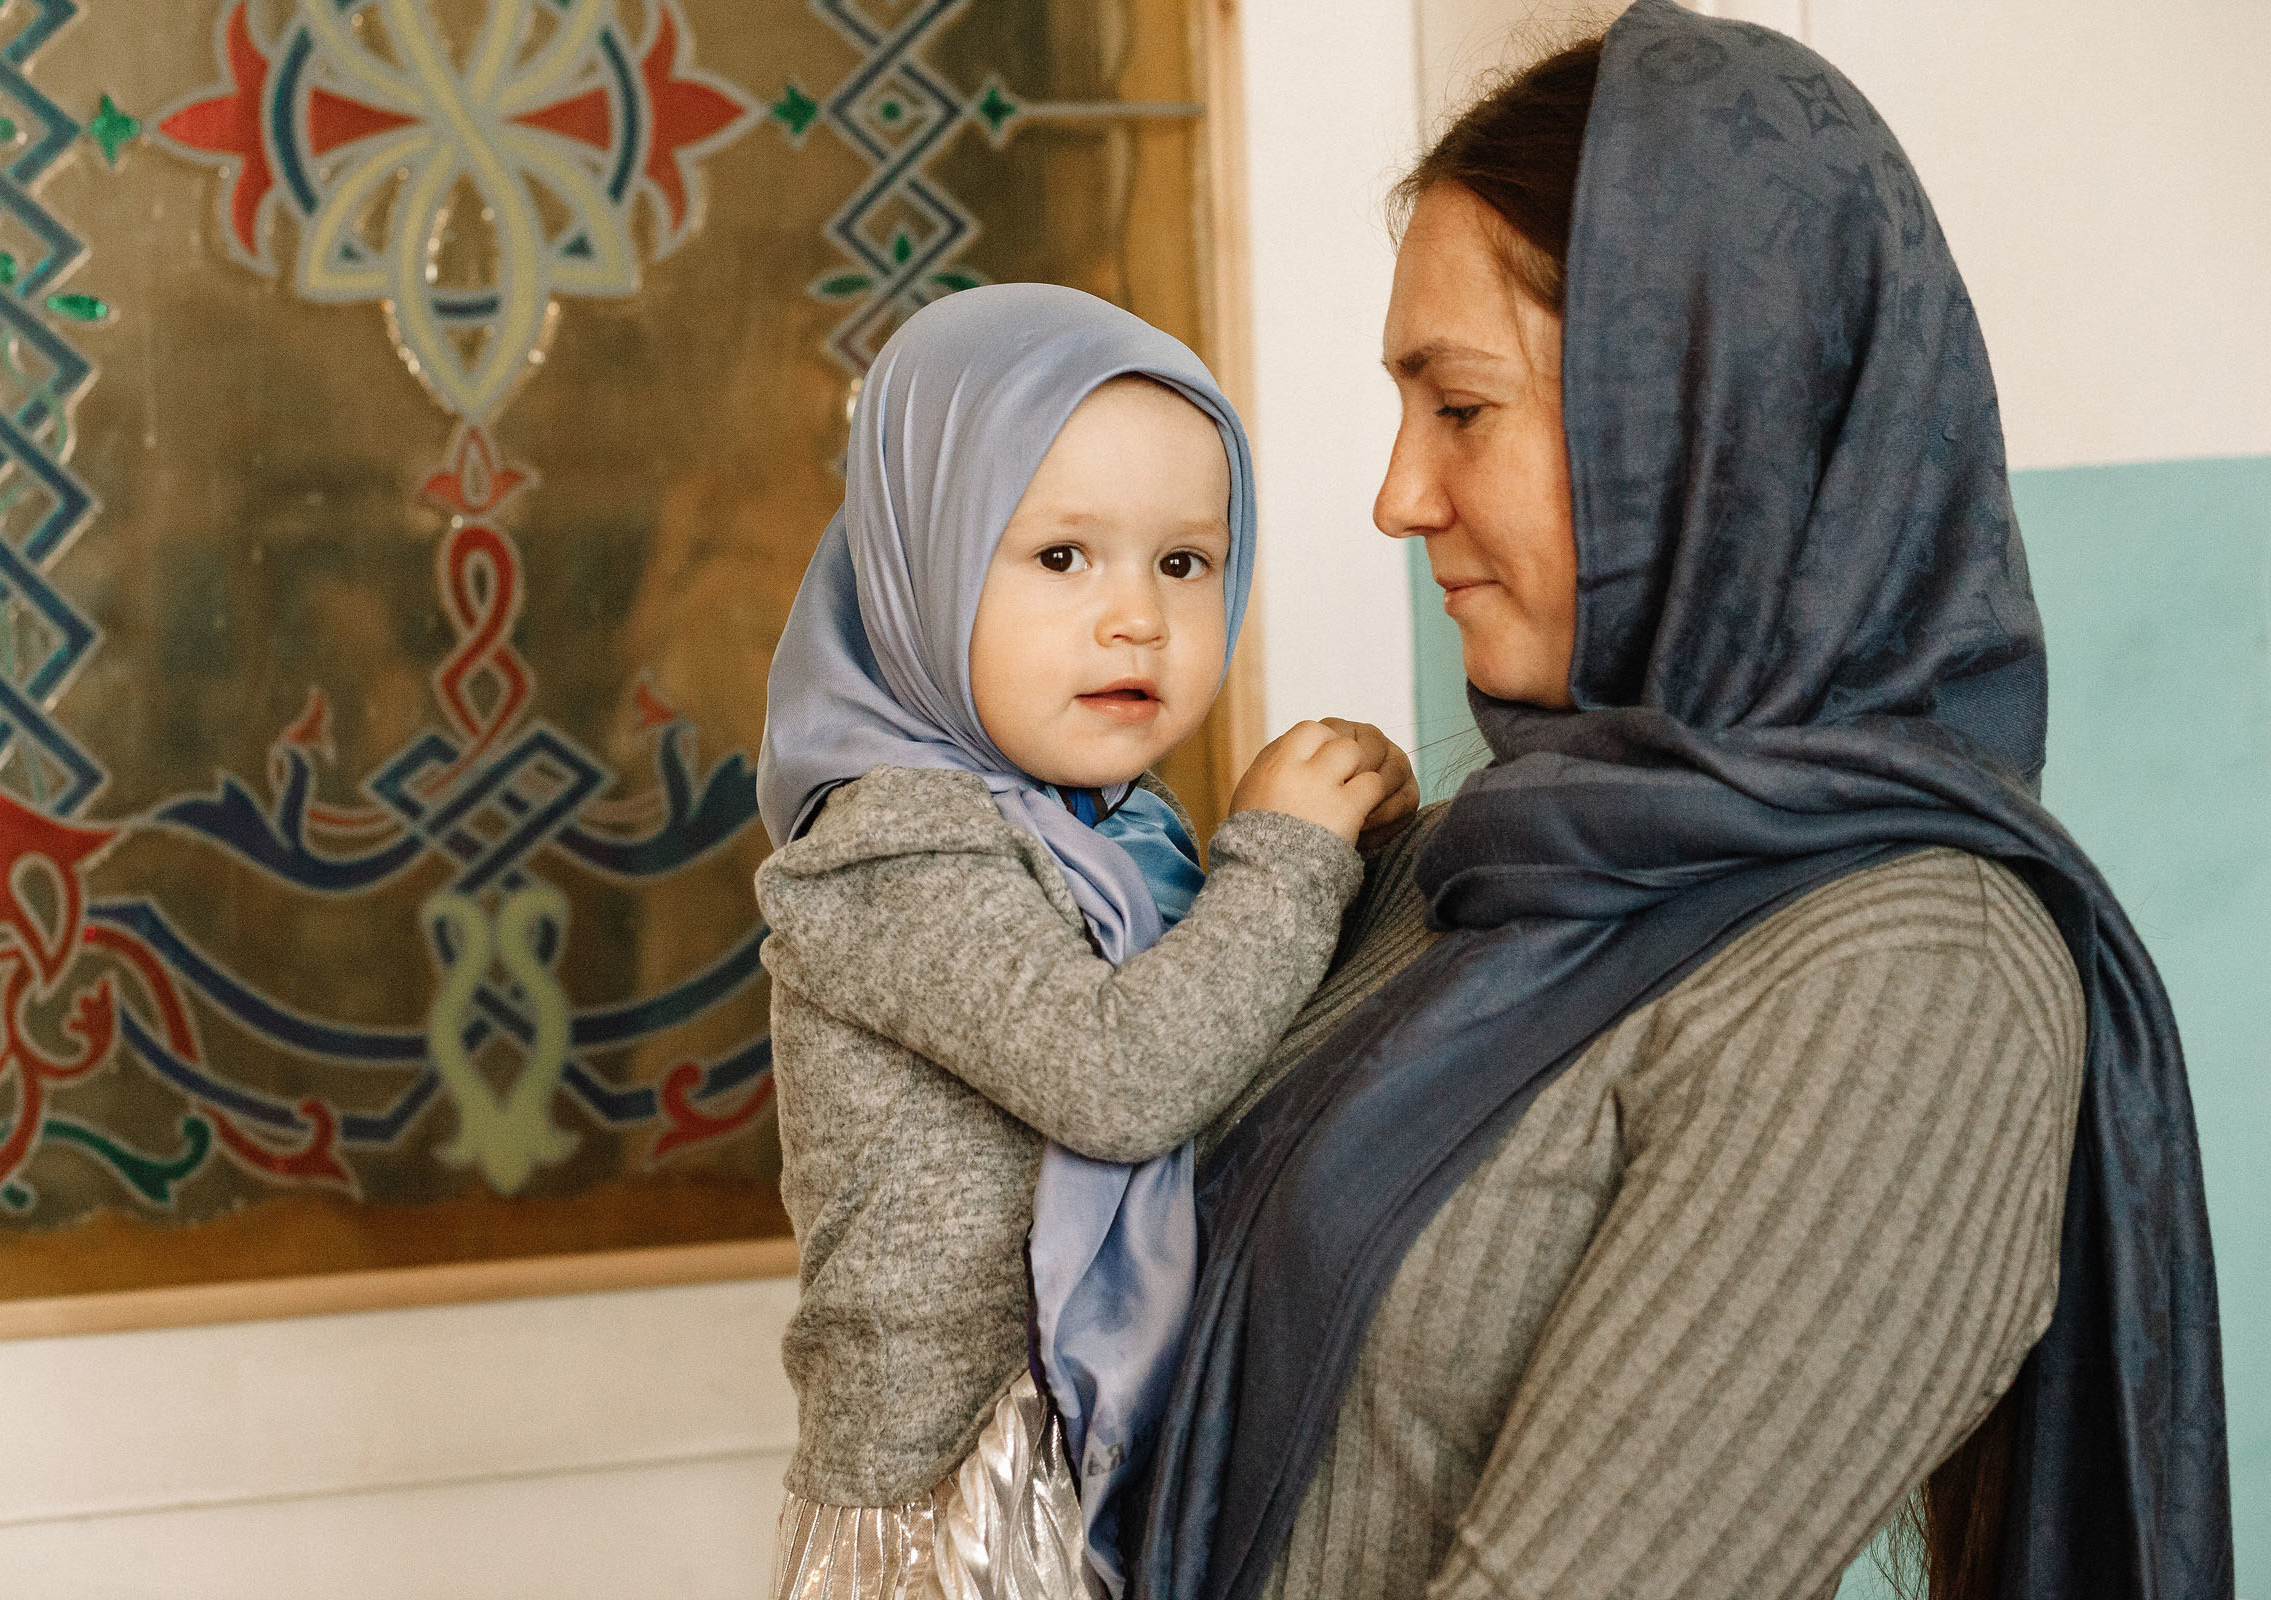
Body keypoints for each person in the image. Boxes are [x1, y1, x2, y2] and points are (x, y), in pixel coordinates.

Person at [1133, 6, 2231, 1600]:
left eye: (1461, 408)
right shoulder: (1466, 870)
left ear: (1702, 417)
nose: (1396, 497)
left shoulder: (1912, 981)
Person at [753, 282, 1417, 1600]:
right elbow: (1119, 1081)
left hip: (1096, 1458)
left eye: (1184, 562)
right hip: (956, 1512)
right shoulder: (891, 848)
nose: (1137, 618)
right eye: (1063, 557)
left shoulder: (1128, 841)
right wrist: (1289, 860)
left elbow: (1240, 1051)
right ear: (921, 566)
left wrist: (1367, 862)